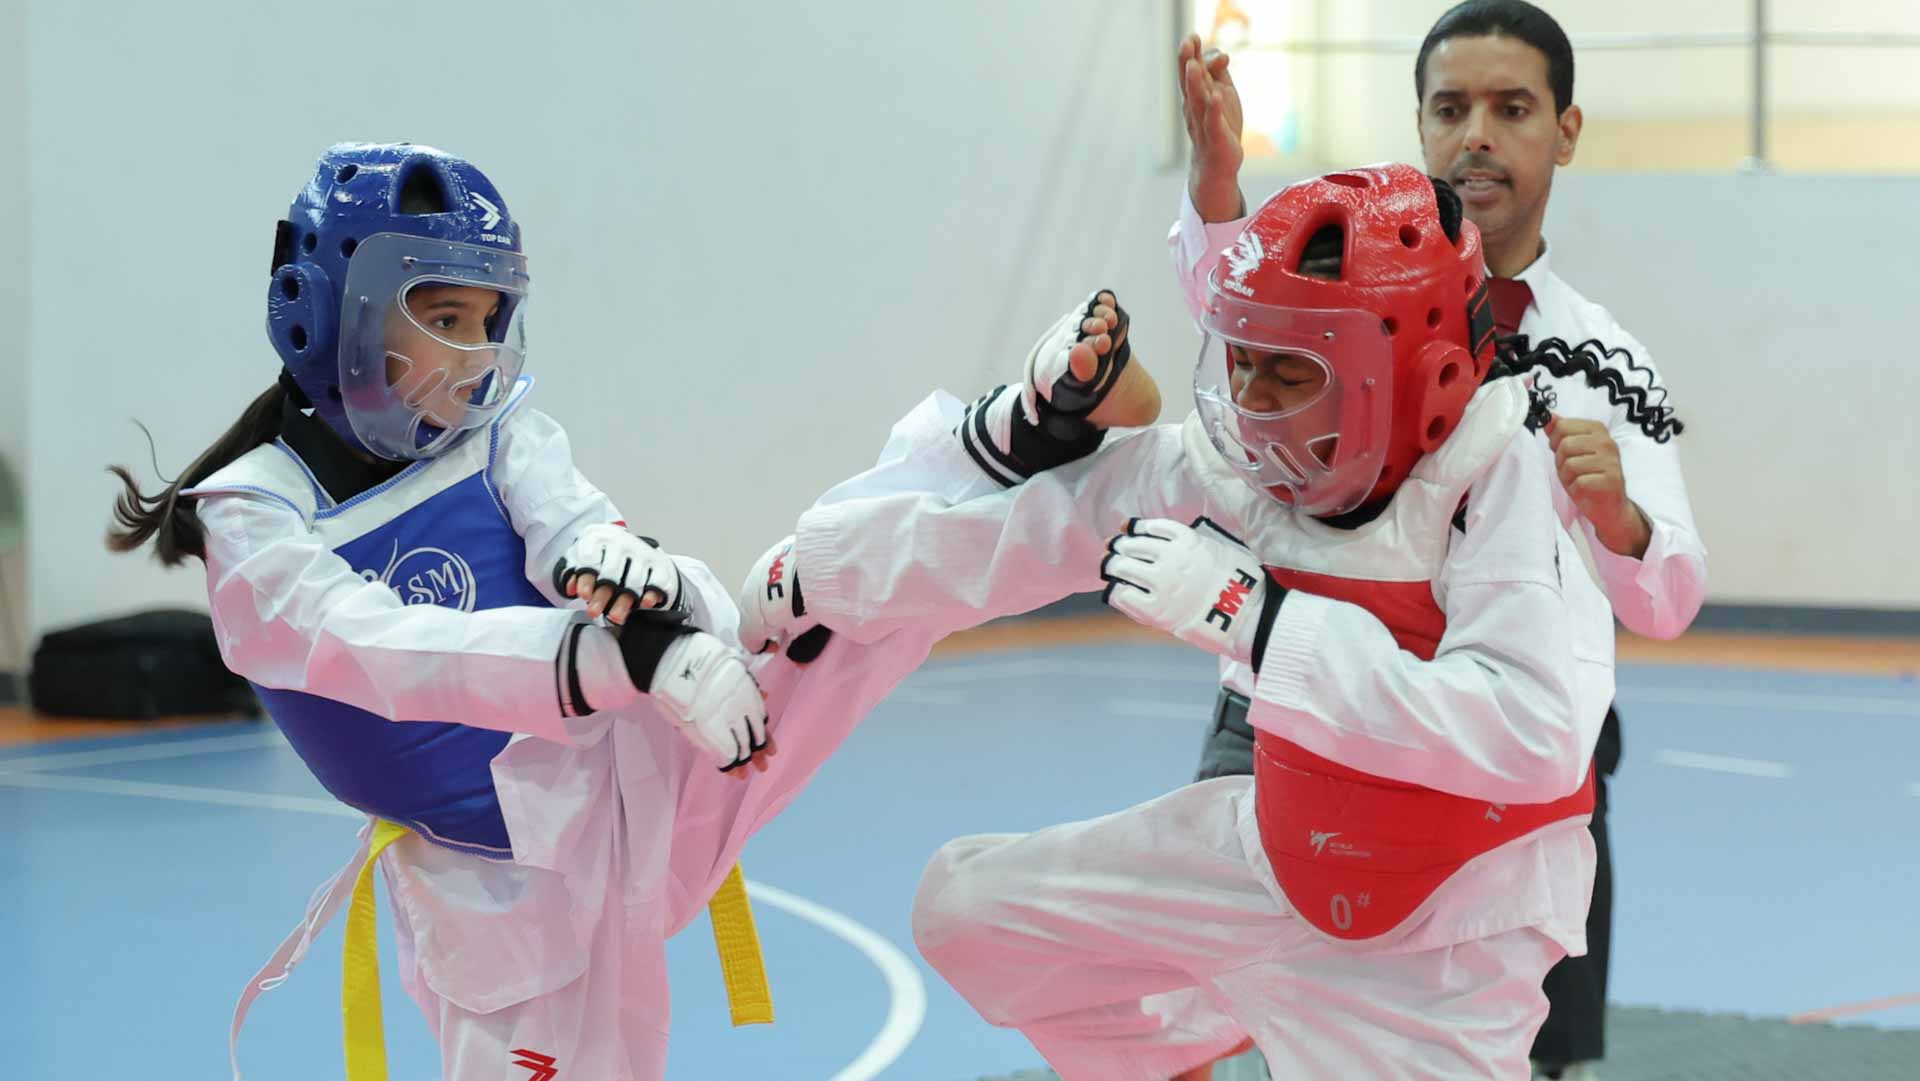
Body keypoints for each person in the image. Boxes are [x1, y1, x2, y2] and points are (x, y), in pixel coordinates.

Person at [741, 164, 1678, 1080]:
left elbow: (1535, 734)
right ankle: (1178, 1045)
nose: (1252, 401)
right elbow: (1034, 530)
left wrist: (1265, 624)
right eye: (1241, 359)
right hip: (1274, 859)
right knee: (971, 909)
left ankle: (1249, 1005)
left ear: (1407, 376)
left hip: (1439, 940)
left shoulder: (1502, 476)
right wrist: (820, 570)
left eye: (1290, 372)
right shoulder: (1237, 465)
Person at [107, 142, 935, 1081]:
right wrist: (614, 658)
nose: (477, 354)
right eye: (448, 317)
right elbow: (390, 651)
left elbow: (572, 522)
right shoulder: (254, 516)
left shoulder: (493, 433)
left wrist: (640, 587)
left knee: (830, 610)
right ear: (333, 313)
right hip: (497, 891)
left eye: (493, 319)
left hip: (640, 777)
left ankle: (992, 459)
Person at [1175, 5, 1708, 1074]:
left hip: (1514, 762)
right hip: (1294, 706)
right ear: (1419, 124)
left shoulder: (1605, 357)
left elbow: (1667, 598)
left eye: (1513, 109)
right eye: (1450, 108)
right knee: (1220, 1002)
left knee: (1513, 1046)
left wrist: (1618, 519)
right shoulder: (1338, 277)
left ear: (1565, 130)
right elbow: (1235, 322)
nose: (1477, 136)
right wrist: (1220, 189)